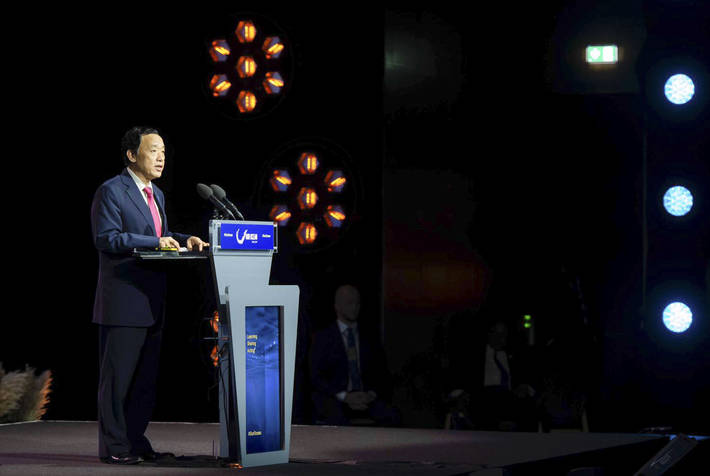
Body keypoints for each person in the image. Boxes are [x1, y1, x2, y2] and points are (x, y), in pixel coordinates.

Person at [91, 126, 208, 465]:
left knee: (143, 381)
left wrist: (184, 240)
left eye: (164, 152)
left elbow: (162, 234)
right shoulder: (111, 191)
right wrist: (155, 242)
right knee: (118, 382)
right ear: (132, 155)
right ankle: (115, 448)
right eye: (153, 150)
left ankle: (135, 441)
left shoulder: (156, 194)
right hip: (122, 301)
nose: (161, 158)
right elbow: (107, 238)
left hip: (152, 300)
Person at [309, 285, 399, 426]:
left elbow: (382, 373)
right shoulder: (323, 338)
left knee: (392, 416)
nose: (355, 307)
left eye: (357, 303)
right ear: (337, 306)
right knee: (335, 418)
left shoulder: (369, 336)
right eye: (350, 303)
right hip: (335, 398)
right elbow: (316, 377)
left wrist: (370, 394)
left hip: (366, 397)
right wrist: (345, 396)